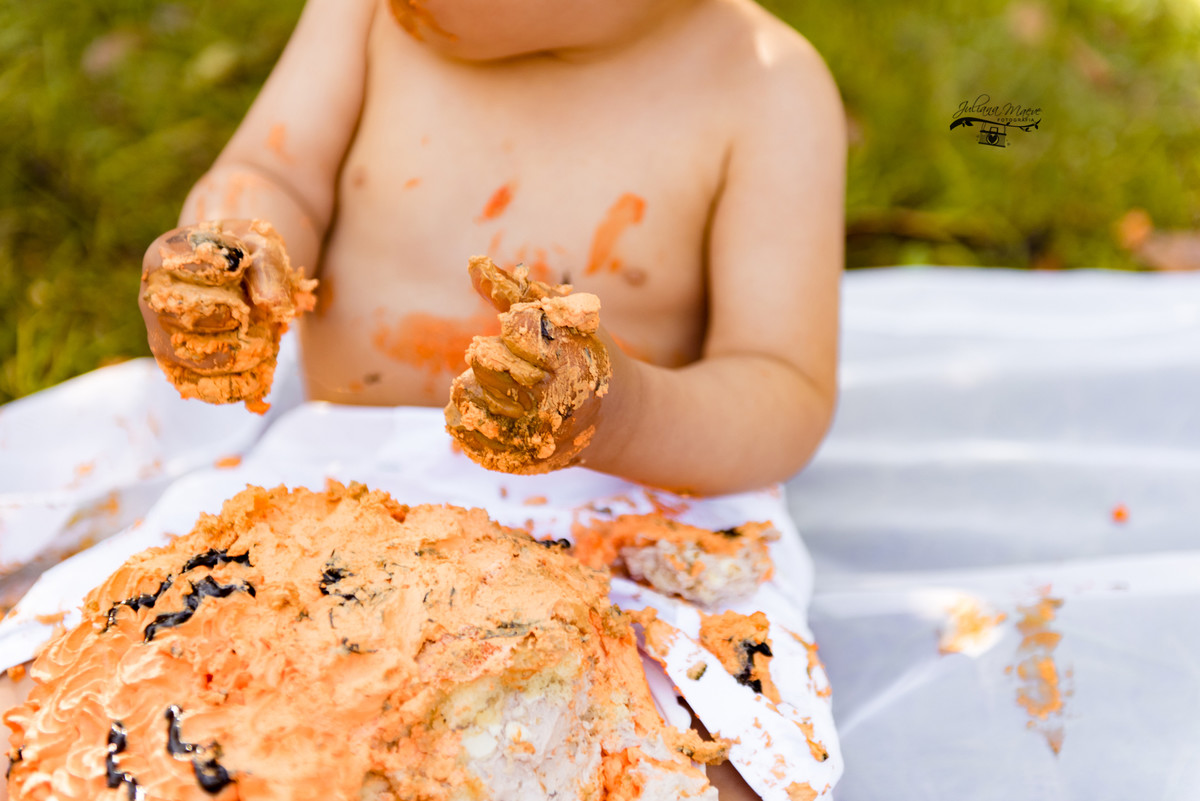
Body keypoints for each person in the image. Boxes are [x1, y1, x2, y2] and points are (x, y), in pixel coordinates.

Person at [138, 0, 846, 498]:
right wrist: (225, 254)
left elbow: (782, 389)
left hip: (617, 519)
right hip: (342, 484)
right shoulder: (369, 14)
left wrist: (622, 416)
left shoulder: (766, 90)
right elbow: (273, 172)